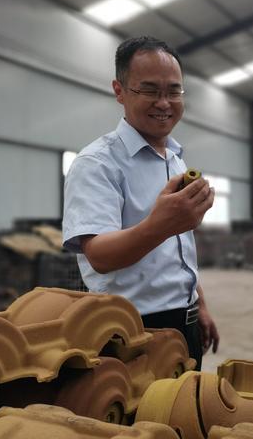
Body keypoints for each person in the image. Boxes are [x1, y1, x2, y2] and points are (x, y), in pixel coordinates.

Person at [62, 36, 219, 370]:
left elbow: (179, 249)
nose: (164, 103)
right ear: (119, 91)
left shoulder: (175, 159)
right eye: (149, 90)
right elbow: (99, 256)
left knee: (186, 404)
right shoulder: (98, 163)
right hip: (132, 331)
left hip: (186, 320)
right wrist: (160, 225)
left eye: (174, 91)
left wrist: (199, 306)